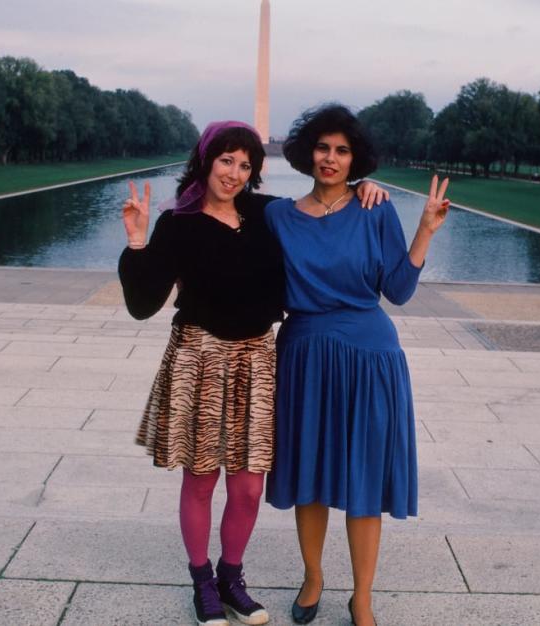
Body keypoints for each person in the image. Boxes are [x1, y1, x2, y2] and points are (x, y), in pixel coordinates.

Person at [118, 120, 388, 626]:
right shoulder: (178, 222)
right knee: (201, 480)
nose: (235, 173)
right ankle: (203, 584)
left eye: (245, 165)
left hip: (258, 360)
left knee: (246, 486)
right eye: (226, 160)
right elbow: (141, 304)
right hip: (200, 357)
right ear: (205, 161)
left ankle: (231, 578)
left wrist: (363, 187)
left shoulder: (265, 214)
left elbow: (321, 209)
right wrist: (137, 242)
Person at [263, 105, 450, 626]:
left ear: (355, 158)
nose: (331, 158)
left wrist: (426, 230)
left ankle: (362, 596)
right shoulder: (278, 215)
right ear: (307, 153)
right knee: (310, 473)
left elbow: (399, 290)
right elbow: (222, 205)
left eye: (342, 150)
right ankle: (313, 576)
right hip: (303, 355)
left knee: (363, 480)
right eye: (323, 148)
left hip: (370, 357)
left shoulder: (375, 208)